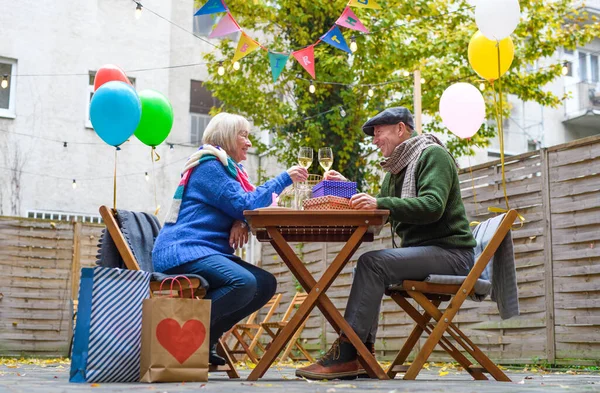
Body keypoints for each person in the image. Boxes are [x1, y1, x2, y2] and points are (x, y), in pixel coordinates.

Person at [296, 107, 476, 380]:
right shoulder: (396, 169)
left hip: (452, 254)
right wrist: (348, 191)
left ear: (400, 129)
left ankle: (347, 354)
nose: (375, 140)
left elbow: (432, 206)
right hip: (430, 252)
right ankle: (362, 354)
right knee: (365, 267)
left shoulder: (432, 155)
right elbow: (379, 209)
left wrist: (379, 202)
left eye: (379, 133)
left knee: (372, 262)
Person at [152, 112, 308, 366]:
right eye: (243, 135)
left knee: (264, 283)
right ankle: (188, 336)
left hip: (206, 252)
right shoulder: (209, 166)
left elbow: (244, 206)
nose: (248, 142)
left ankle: (205, 339)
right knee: (244, 283)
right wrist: (285, 177)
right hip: (183, 250)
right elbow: (245, 203)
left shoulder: (231, 171)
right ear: (225, 136)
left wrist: (242, 221)